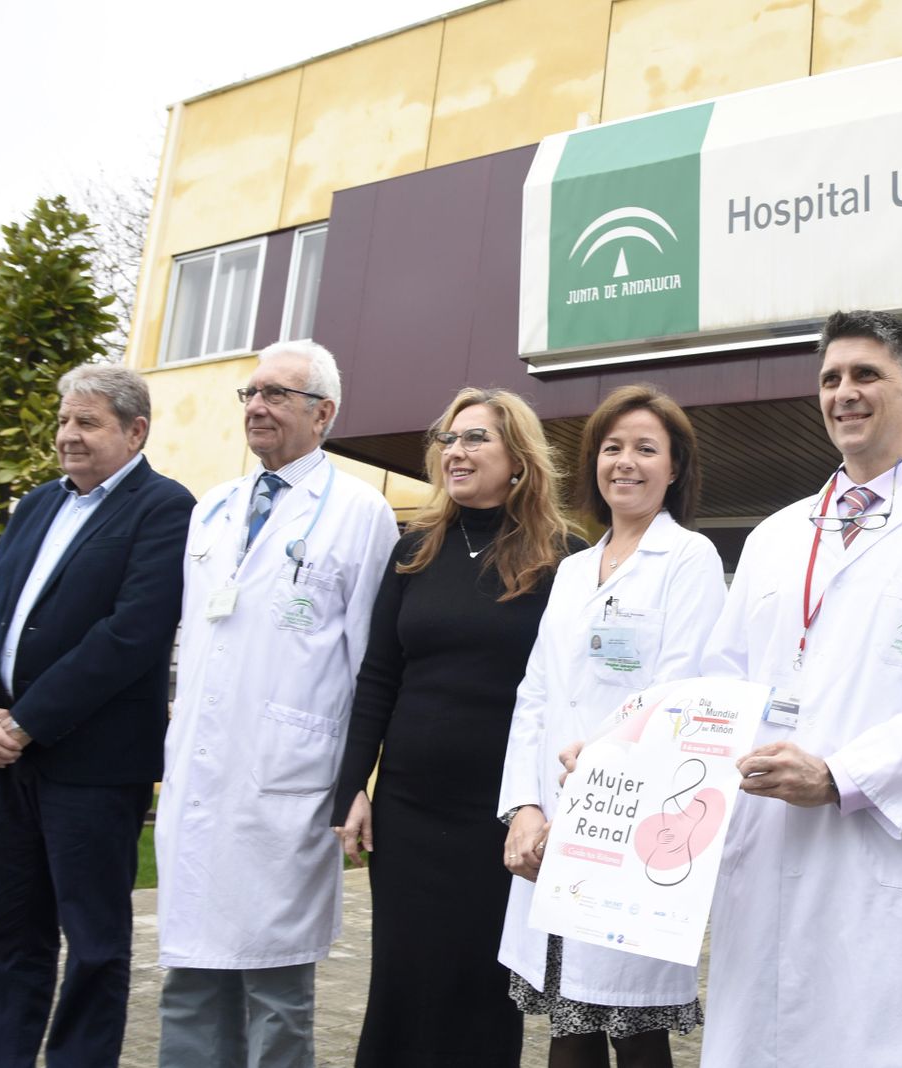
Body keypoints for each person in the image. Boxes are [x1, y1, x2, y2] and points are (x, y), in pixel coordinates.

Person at [694, 311, 902, 1067]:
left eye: (865, 375)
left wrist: (840, 776)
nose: (844, 393)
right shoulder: (775, 536)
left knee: (889, 1041)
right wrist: (641, 752)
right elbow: (723, 682)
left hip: (900, 858)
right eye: (830, 379)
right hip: (772, 844)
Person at [155, 340, 399, 1068]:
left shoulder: (361, 513)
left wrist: (357, 780)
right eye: (251, 393)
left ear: (322, 413)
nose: (256, 406)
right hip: (202, 772)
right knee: (190, 978)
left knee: (276, 988)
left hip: (287, 779)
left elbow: (372, 663)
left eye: (276, 395)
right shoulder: (214, 509)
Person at [0, 365, 194, 1067]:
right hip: (8, 764)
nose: (67, 435)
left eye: (86, 422)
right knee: (7, 936)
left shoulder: (164, 509)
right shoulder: (35, 506)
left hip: (92, 769)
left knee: (92, 945)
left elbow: (131, 635)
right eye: (64, 420)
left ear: (135, 430)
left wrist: (23, 721)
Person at [330, 387, 579, 1067]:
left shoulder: (564, 557)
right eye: (449, 439)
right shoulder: (414, 549)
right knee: (403, 983)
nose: (456, 451)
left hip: (501, 819)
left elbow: (572, 687)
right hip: (409, 811)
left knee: (479, 990)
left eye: (475, 439)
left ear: (518, 459)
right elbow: (378, 676)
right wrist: (352, 785)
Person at [499, 385, 725, 1068]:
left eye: (646, 449)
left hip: (630, 826)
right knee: (568, 1024)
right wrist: (526, 808)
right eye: (612, 447)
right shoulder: (570, 570)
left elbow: (683, 696)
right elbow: (535, 693)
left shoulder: (690, 560)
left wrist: (599, 767)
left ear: (675, 467)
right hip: (556, 823)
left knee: (633, 1027)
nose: (625, 462)